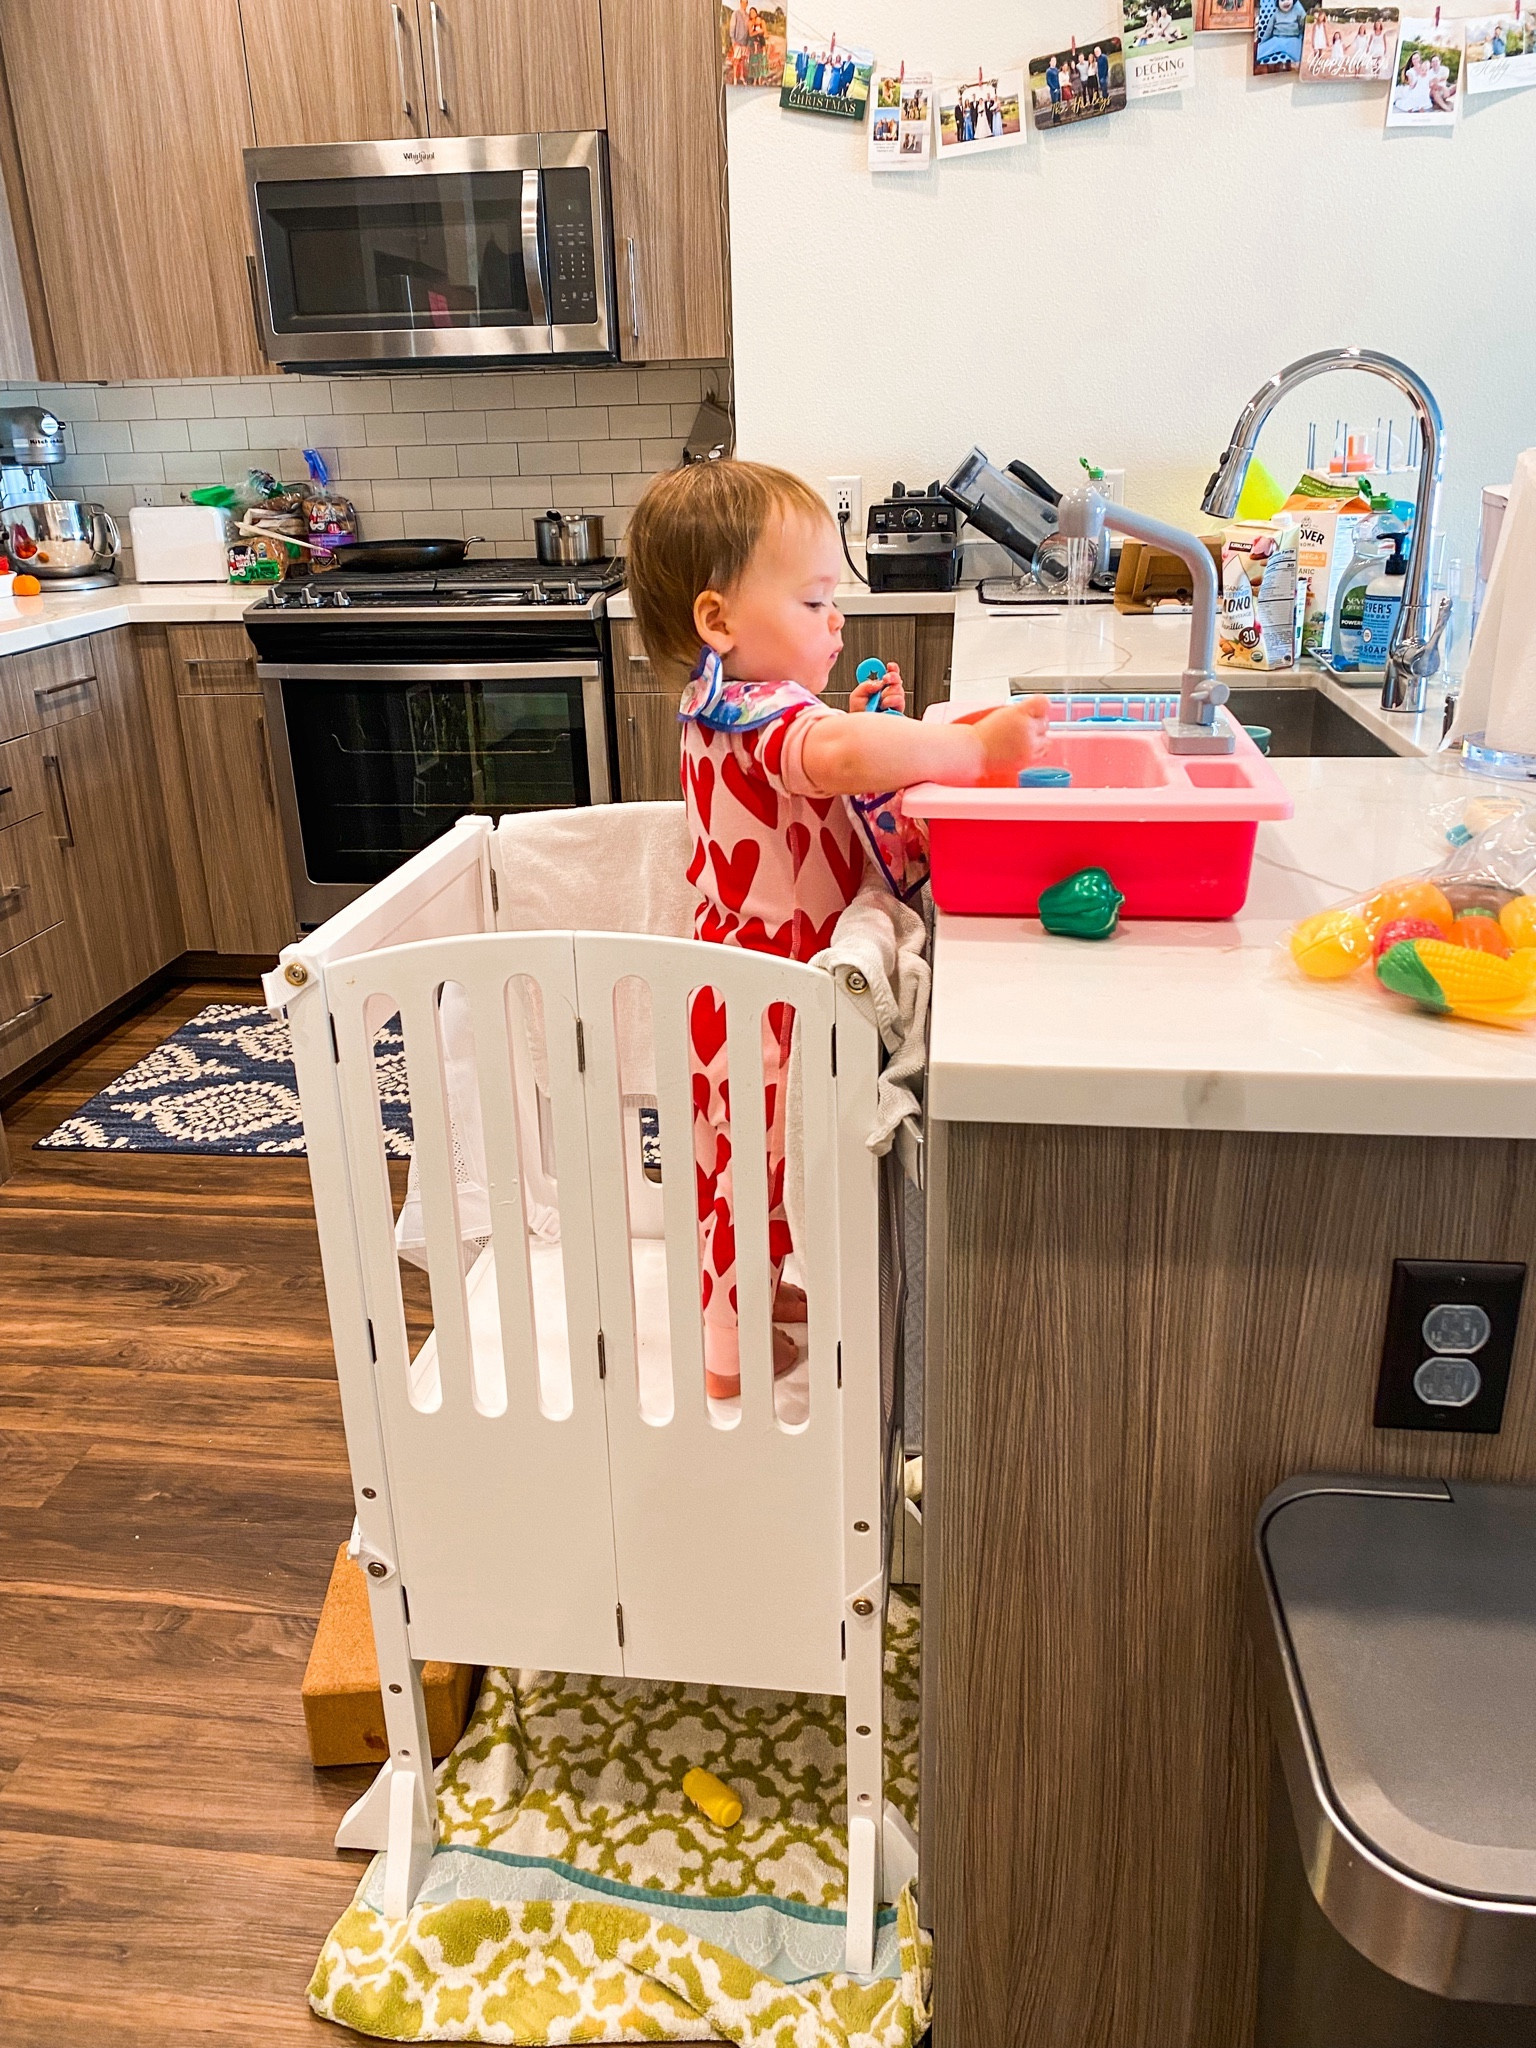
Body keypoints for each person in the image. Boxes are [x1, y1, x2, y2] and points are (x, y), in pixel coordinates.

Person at [624, 461, 1049, 1398]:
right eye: (815, 601)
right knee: (755, 1176)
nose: (838, 620)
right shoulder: (767, 717)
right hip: (766, 998)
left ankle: (745, 1297)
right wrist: (974, 747)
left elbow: (826, 768)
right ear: (719, 621)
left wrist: (860, 724)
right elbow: (843, 758)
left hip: (727, 985)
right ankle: (727, 1354)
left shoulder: (721, 707)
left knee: (742, 1166)